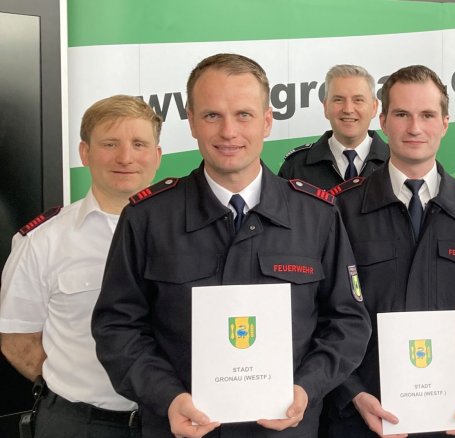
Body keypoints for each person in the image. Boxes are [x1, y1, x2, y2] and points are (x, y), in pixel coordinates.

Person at [91, 53, 371, 438]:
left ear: (267, 121)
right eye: (211, 116)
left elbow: (348, 323)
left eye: (243, 114)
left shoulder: (317, 215)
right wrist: (168, 397)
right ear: (190, 121)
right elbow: (117, 327)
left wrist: (306, 389)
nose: (228, 131)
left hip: (286, 430)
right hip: (181, 430)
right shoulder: (148, 218)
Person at [326, 65, 455, 438]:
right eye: (402, 114)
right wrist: (353, 391)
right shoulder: (341, 209)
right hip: (363, 417)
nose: (415, 128)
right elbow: (324, 311)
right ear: (383, 120)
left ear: (446, 122)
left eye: (427, 115)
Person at [0, 95, 163, 437]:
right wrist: (73, 388)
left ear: (157, 156)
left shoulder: (190, 233)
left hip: (173, 421)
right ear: (85, 153)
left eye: (139, 144)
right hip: (81, 424)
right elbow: (17, 340)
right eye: (109, 144)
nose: (125, 157)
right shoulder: (43, 241)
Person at [279, 64, 389, 188]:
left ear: (374, 107)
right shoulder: (295, 167)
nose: (348, 109)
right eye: (338, 100)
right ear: (326, 107)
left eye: (358, 100)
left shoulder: (396, 161)